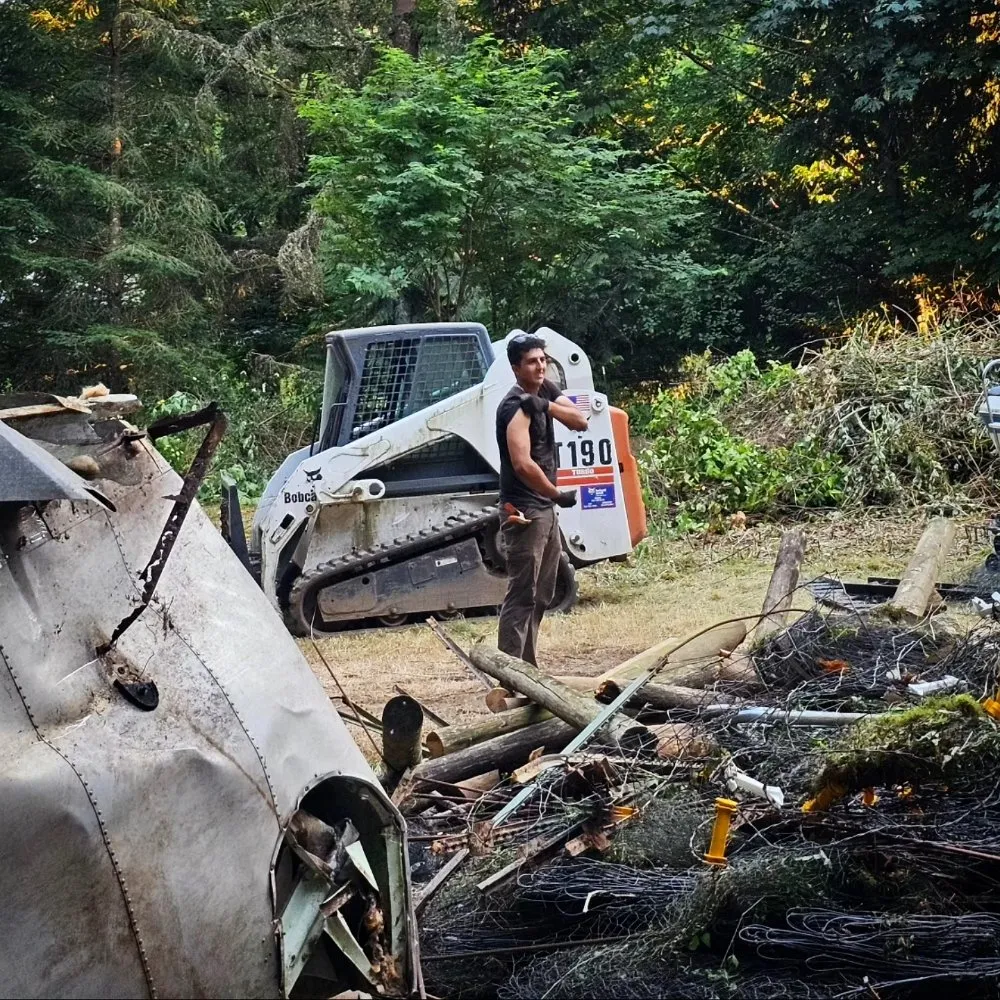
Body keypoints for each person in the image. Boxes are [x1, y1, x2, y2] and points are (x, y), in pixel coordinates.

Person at [495, 333, 588, 666]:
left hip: (544, 508)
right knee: (522, 593)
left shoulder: (544, 390)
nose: (540, 366)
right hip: (524, 508)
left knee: (542, 594)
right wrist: (556, 493)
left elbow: (580, 421)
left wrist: (546, 405)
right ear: (516, 366)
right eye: (532, 361)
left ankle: (528, 668)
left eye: (543, 360)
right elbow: (522, 464)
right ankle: (509, 675)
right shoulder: (514, 406)